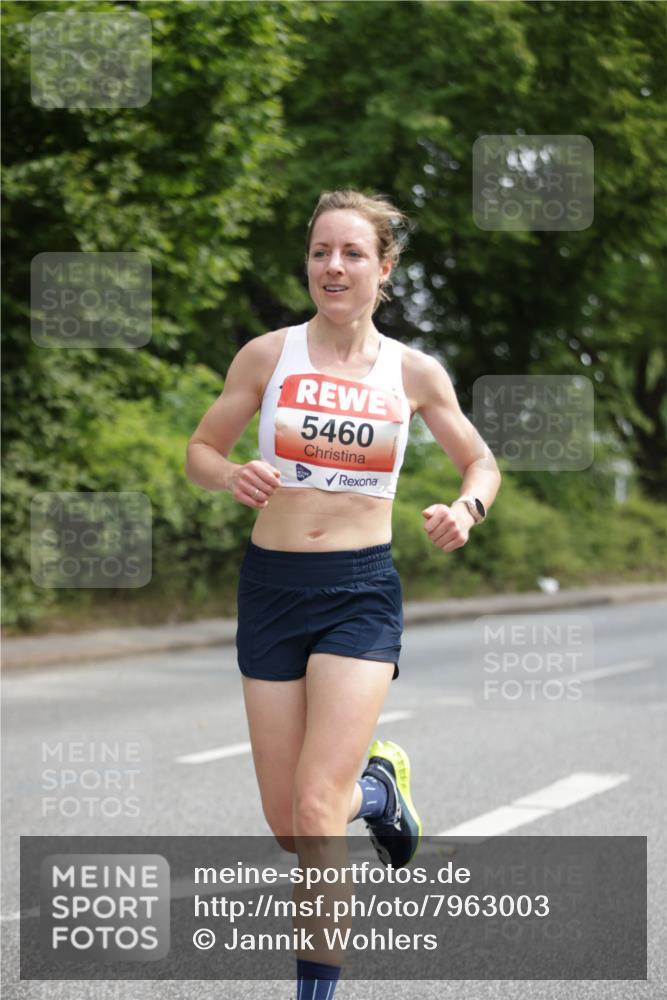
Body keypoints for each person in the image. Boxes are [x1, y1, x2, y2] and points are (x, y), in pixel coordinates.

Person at [185, 189, 501, 998]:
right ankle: (380, 787)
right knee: (292, 826)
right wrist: (231, 472)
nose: (333, 266)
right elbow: (200, 450)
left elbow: (481, 462)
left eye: (352, 253)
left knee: (317, 808)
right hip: (271, 588)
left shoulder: (412, 371)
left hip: (359, 590)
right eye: (321, 251)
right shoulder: (267, 355)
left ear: (383, 268)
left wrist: (464, 509)